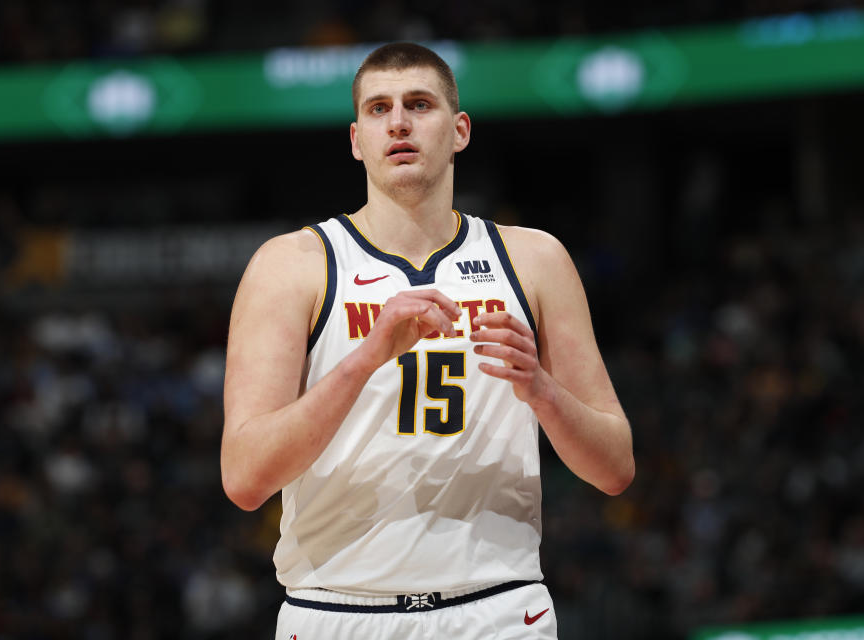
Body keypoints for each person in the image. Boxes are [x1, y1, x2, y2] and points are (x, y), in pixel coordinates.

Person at [221, 42, 634, 639]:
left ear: (460, 130)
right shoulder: (291, 266)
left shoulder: (535, 259)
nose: (399, 123)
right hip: (337, 611)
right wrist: (366, 356)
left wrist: (542, 391)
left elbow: (615, 467)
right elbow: (245, 478)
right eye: (379, 108)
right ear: (357, 139)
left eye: (419, 104)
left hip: (497, 607)